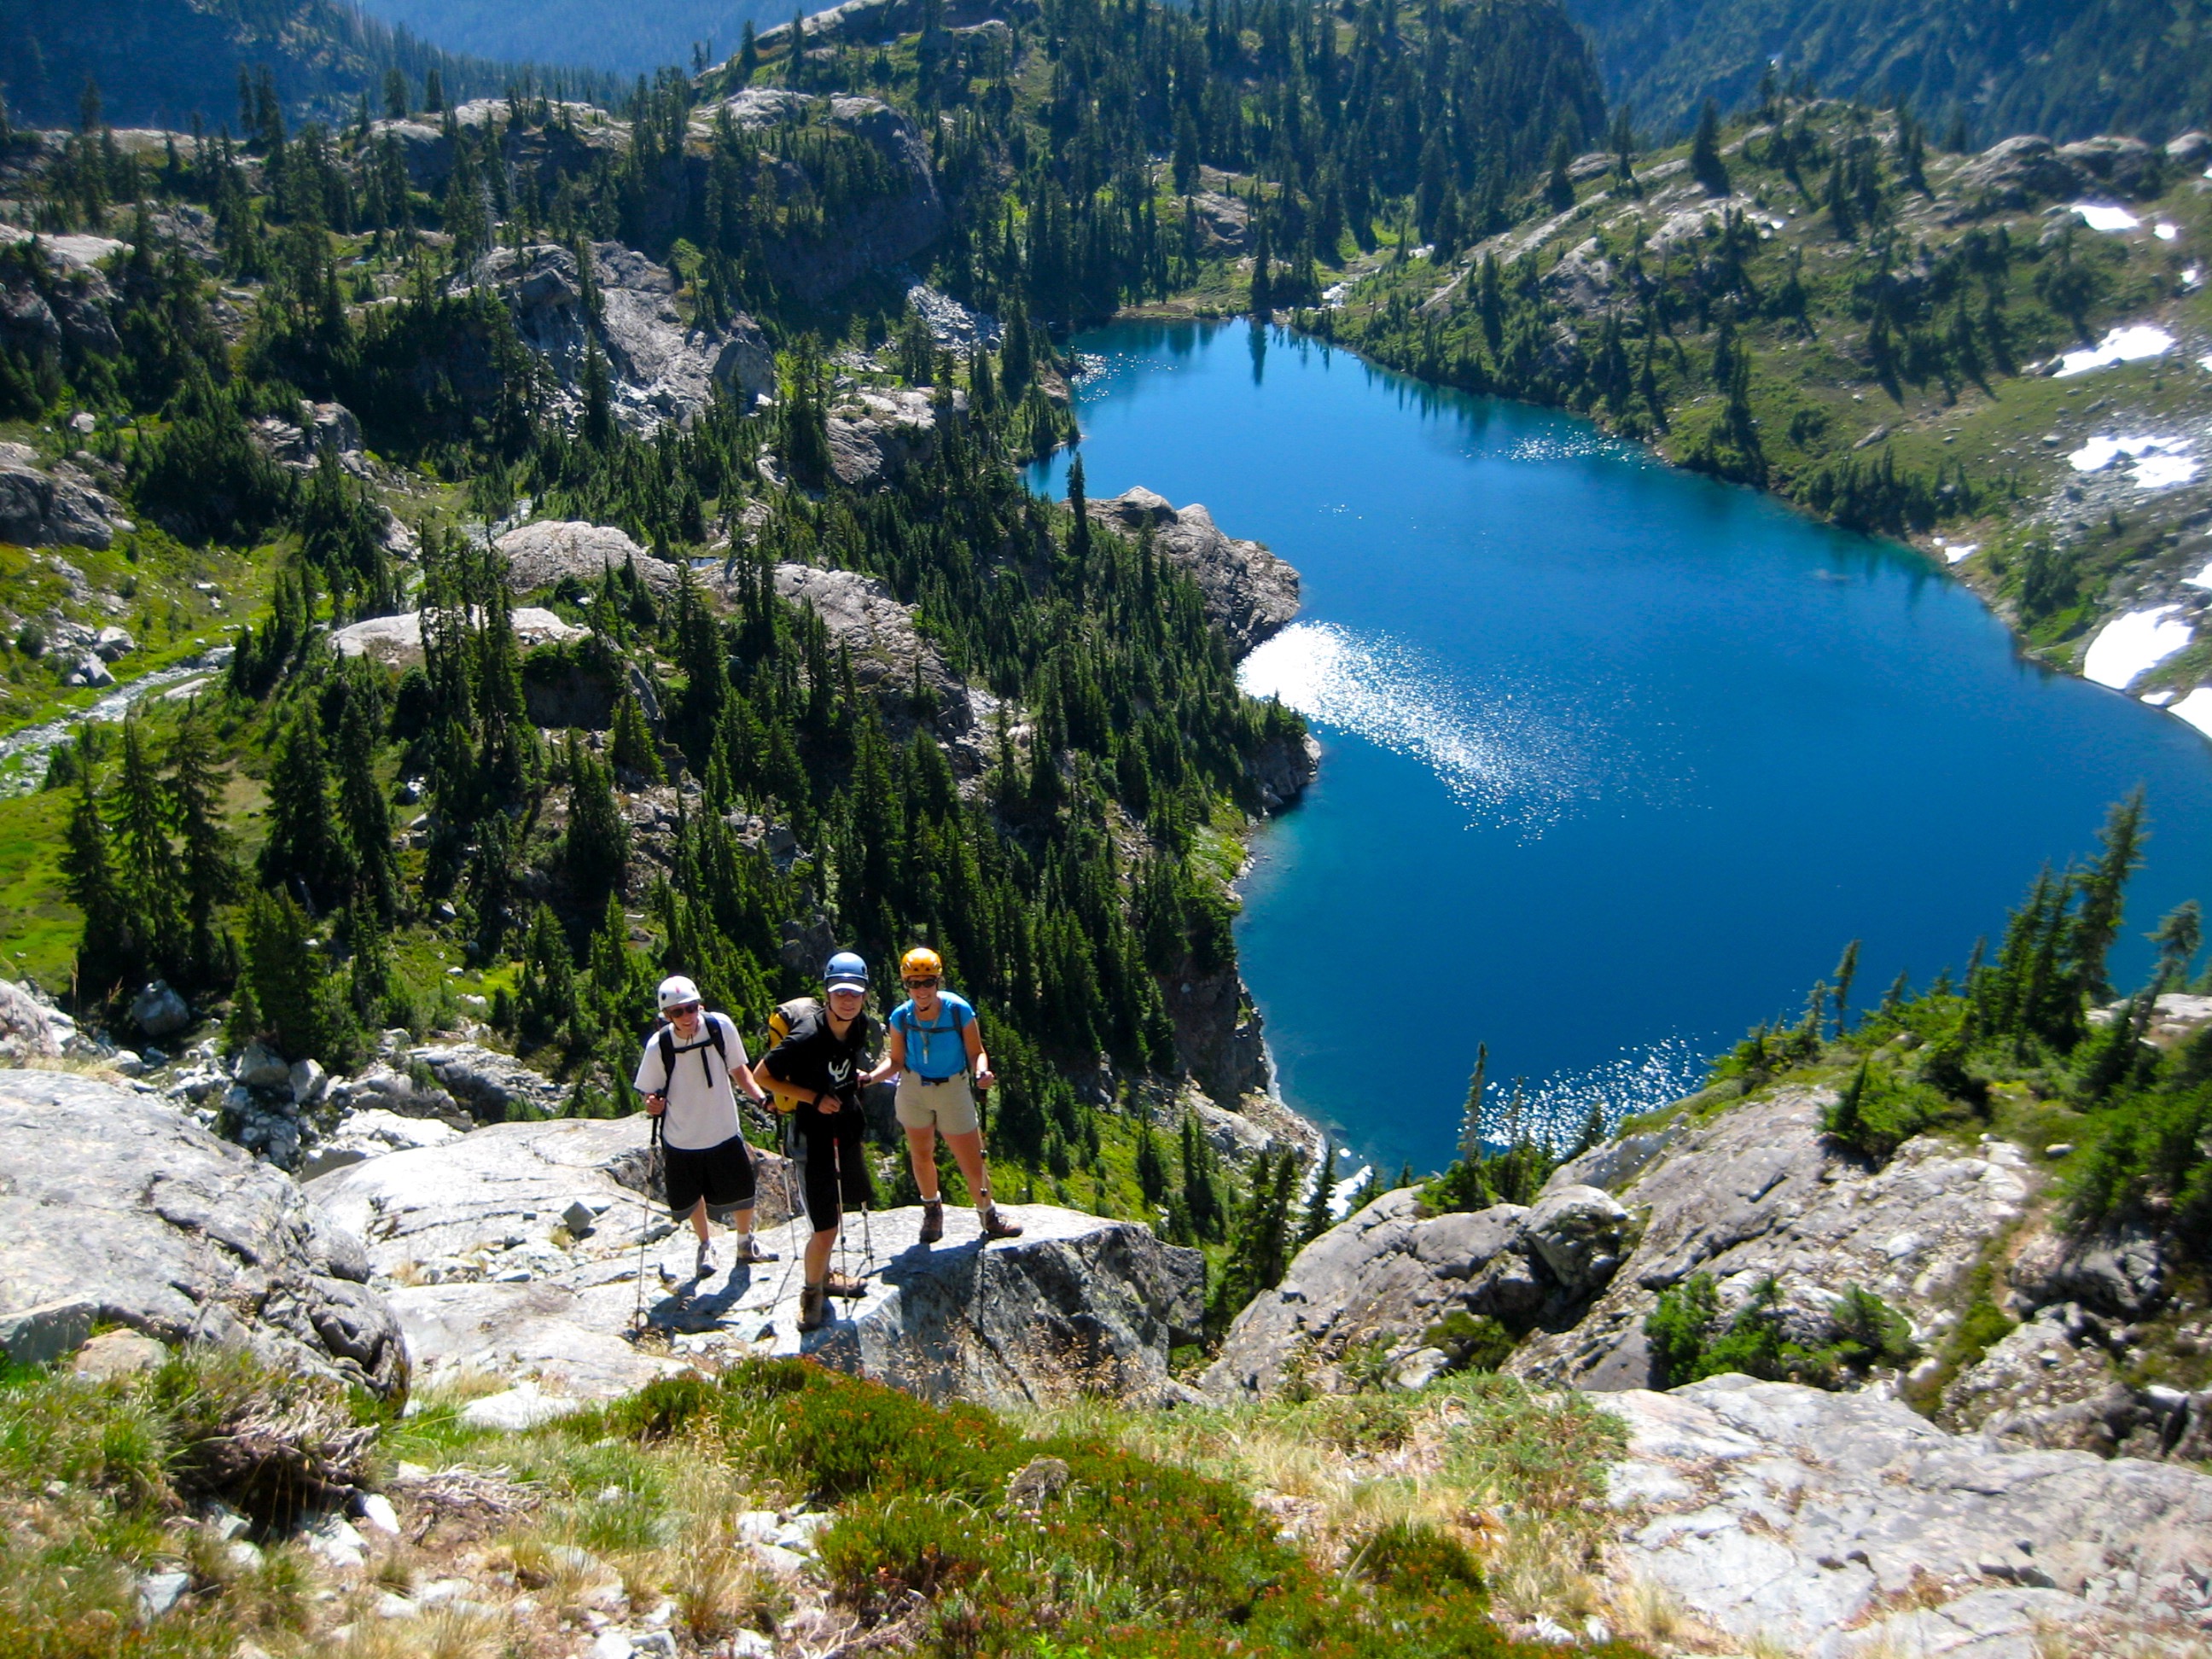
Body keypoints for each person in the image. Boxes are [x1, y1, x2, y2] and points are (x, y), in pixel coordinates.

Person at [751, 951, 879, 1332]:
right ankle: (811, 1294)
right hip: (812, 1135)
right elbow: (763, 1076)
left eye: (855, 992)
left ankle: (824, 1276)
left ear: (865, 995)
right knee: (824, 1226)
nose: (848, 999)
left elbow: (842, 1063)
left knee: (837, 1211)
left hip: (844, 1126)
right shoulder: (807, 1034)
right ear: (827, 993)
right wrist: (814, 1098)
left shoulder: (857, 1026)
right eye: (840, 992)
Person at [633, 974, 776, 1280]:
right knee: (692, 1193)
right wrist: (651, 1104)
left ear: (700, 1005)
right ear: (666, 1016)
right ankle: (705, 1244)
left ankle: (744, 1242)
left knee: (742, 1188)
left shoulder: (720, 1027)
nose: (687, 1016)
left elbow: (739, 1070)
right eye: (677, 1012)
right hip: (682, 1135)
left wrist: (762, 1099)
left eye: (691, 1008)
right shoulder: (659, 1047)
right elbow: (650, 1093)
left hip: (723, 1127)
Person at [876, 946, 1022, 1245]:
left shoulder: (958, 1011)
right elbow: (895, 1061)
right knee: (921, 1155)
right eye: (913, 984)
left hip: (952, 1089)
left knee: (971, 1160)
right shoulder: (900, 1017)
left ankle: (988, 1215)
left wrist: (983, 1072)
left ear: (938, 981)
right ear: (906, 985)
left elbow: (976, 1052)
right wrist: (868, 1077)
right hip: (914, 1089)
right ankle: (932, 1210)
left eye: (927, 982)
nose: (921, 990)